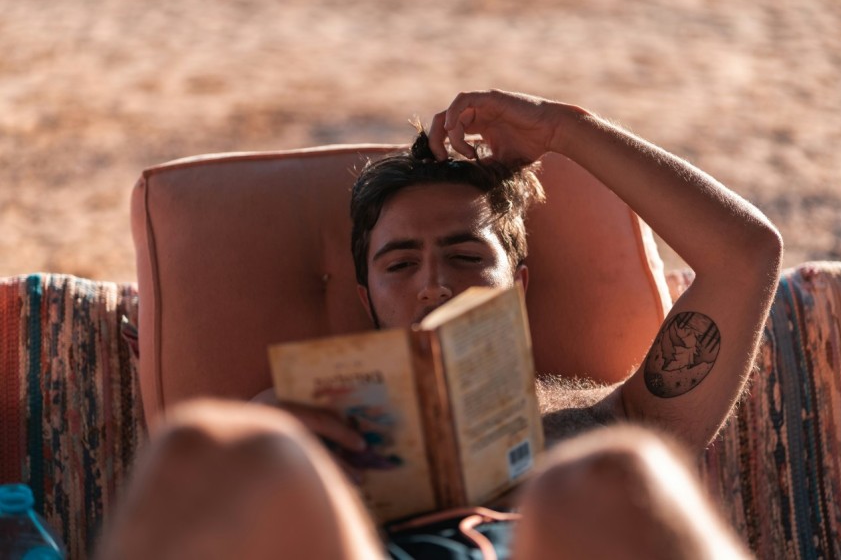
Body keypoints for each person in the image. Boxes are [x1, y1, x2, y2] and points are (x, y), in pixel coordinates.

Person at [97, 90, 782, 559]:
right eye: (399, 264)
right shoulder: (294, 434)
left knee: (617, 468)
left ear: (517, 284)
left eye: (463, 255)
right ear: (366, 298)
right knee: (204, 448)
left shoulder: (605, 420)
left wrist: (564, 130)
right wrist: (271, 435)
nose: (434, 284)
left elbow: (746, 256)